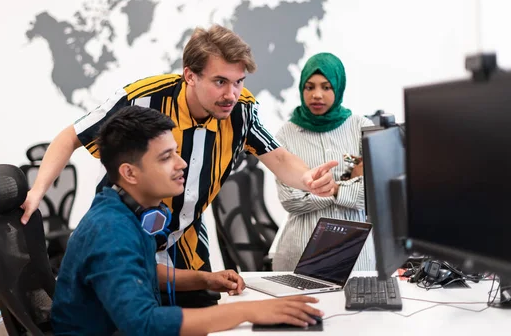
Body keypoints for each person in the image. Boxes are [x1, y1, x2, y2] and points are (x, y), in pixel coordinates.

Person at [22, 24, 338, 307]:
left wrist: (308, 179)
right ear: (190, 75)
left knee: (204, 314)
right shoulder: (143, 99)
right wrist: (37, 191)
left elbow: (279, 158)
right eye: (220, 82)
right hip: (128, 233)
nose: (231, 94)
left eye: (238, 82)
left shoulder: (241, 110)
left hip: (184, 238)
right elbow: (71, 136)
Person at [51, 106, 325, 336]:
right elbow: (142, 323)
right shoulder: (111, 231)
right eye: (166, 157)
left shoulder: (125, 211)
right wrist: (249, 311)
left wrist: (205, 279)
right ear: (130, 173)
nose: (181, 164)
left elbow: (140, 272)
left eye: (176, 152)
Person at [272, 52, 376, 271]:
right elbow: (291, 200)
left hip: (356, 255)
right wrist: (344, 188)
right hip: (300, 252)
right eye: (309, 87)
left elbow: (372, 195)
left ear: (338, 88)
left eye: (326, 87)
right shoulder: (286, 135)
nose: (317, 95)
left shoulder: (361, 128)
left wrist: (332, 188)